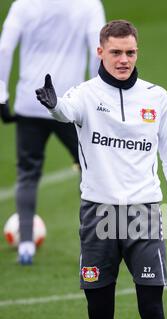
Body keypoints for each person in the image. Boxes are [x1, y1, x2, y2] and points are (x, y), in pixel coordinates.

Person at [36, 20, 167, 319]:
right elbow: (64, 111)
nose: (124, 60)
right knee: (99, 309)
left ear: (137, 52)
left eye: (131, 52)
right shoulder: (85, 95)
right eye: (116, 52)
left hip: (143, 214)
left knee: (152, 308)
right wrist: (53, 104)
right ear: (100, 53)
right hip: (98, 215)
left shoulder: (156, 97)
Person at [0, 0, 106, 265]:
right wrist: (98, 99)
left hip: (29, 101)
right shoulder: (89, 5)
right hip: (70, 104)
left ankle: (26, 245)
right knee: (91, 170)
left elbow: (3, 48)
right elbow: (98, 53)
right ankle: (97, 242)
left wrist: (1, 94)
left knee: (27, 172)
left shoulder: (23, 4)